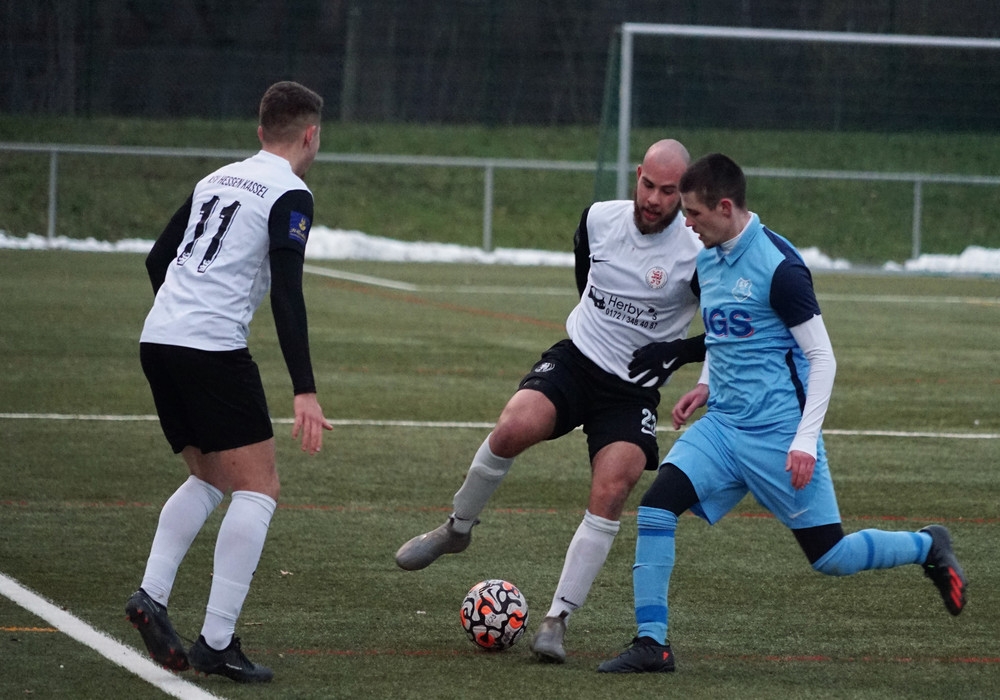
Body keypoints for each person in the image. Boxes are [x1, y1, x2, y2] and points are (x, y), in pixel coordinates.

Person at [597, 153, 968, 674]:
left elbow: (822, 358)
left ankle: (928, 546)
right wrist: (705, 384)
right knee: (657, 508)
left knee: (830, 556)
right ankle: (652, 643)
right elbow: (729, 330)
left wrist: (803, 441)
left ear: (725, 208)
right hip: (723, 427)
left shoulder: (781, 268)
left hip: (779, 435)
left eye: (694, 213)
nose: (687, 223)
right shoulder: (709, 258)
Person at [395, 139, 707, 663]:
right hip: (577, 362)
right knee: (512, 427)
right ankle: (456, 529)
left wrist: (676, 354)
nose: (654, 199)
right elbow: (585, 276)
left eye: (668, 191)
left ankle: (556, 619)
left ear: (685, 193)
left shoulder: (698, 253)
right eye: (648, 185)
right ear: (637, 175)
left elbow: (724, 328)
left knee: (614, 486)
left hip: (632, 390)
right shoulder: (598, 219)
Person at [125, 80, 333, 684]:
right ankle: (216, 642)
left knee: (211, 477)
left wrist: (182, 315)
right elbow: (288, 294)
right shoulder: (292, 192)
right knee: (259, 489)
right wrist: (304, 389)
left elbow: (158, 259)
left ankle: (151, 595)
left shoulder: (216, 178)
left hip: (159, 338)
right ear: (310, 135)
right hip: (209, 348)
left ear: (260, 130)